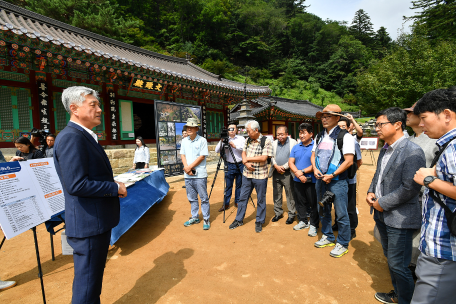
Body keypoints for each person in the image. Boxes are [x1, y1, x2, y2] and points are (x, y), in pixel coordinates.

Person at [53, 86, 127, 304]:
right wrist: (114, 188)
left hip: (93, 221)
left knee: (91, 282)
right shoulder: (72, 138)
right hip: (88, 223)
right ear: (74, 109)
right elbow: (76, 184)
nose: (100, 109)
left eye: (99, 105)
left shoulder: (83, 136)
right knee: (87, 285)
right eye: (92, 104)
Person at [366, 107, 425, 304]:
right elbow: (378, 174)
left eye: (380, 124)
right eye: (376, 125)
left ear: (398, 124)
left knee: (399, 264)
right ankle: (398, 294)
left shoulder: (412, 151)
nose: (377, 129)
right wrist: (371, 190)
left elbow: (410, 188)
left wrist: (382, 203)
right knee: (391, 260)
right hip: (382, 213)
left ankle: (406, 299)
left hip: (399, 217)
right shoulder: (386, 148)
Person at [411, 88, 456, 304]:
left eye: (424, 118)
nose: (421, 125)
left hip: (444, 251)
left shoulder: (454, 147)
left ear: (446, 115)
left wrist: (429, 180)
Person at [310, 104, 355, 258]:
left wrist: (333, 174)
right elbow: (313, 154)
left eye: (328, 116)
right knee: (323, 209)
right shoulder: (320, 136)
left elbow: (349, 161)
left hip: (337, 182)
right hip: (321, 180)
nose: (324, 118)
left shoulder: (345, 136)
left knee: (341, 213)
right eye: (323, 116)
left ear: (337, 118)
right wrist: (315, 169)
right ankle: (328, 236)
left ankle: (342, 243)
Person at [229, 120, 273, 233]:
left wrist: (247, 159)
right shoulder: (248, 140)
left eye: (249, 131)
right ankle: (239, 219)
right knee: (243, 198)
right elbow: (243, 152)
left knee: (260, 199)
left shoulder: (266, 141)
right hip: (247, 174)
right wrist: (245, 162)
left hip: (260, 175)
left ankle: (259, 221)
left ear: (256, 130)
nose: (247, 134)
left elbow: (264, 158)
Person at [332, 116, 362, 240]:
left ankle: (351, 228)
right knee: (338, 203)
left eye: (343, 126)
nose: (340, 129)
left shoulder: (352, 141)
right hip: (337, 179)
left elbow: (358, 161)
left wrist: (350, 172)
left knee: (350, 204)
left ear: (349, 127)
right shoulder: (334, 140)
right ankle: (338, 224)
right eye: (338, 127)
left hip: (349, 179)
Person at [288, 123, 319, 236]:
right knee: (300, 202)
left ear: (311, 134)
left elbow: (316, 164)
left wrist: (303, 172)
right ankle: (303, 221)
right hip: (298, 179)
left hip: (312, 180)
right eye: (300, 133)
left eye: (304, 132)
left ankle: (314, 225)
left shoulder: (316, 147)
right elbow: (291, 162)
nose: (301, 135)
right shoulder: (296, 147)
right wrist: (298, 173)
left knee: (313, 203)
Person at [180, 118, 210, 230]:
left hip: (200, 175)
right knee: (192, 197)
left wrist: (189, 167)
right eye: (188, 127)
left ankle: (206, 218)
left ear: (197, 129)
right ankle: (195, 216)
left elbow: (202, 156)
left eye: (192, 127)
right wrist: (187, 168)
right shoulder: (184, 141)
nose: (189, 129)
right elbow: (182, 155)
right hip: (188, 175)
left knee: (203, 198)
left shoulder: (202, 140)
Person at [269, 126, 297, 224]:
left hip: (288, 172)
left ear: (286, 134)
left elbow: (293, 157)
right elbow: (271, 155)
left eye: (281, 134)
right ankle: (278, 213)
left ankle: (292, 214)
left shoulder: (293, 142)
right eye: (278, 134)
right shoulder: (274, 143)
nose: (279, 136)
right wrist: (276, 165)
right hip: (276, 171)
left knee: (290, 193)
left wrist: (284, 167)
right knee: (276, 193)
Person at [215, 124, 245, 211]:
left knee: (239, 185)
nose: (231, 130)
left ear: (236, 130)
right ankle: (226, 203)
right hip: (229, 164)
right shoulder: (224, 138)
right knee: (228, 186)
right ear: (227, 130)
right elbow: (217, 150)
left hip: (240, 164)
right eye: (229, 129)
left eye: (233, 129)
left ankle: (237, 201)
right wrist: (222, 141)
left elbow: (244, 148)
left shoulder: (241, 139)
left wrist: (235, 146)